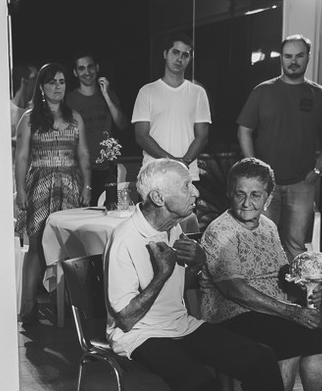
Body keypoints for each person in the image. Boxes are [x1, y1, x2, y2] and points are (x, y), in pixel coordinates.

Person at [104, 158, 317, 391]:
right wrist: (162, 275)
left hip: (179, 324)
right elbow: (125, 318)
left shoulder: (174, 226)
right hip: (139, 336)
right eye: (186, 186)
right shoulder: (125, 239)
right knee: (198, 382)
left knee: (260, 358)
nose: (195, 191)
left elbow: (186, 280)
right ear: (158, 197)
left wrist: (198, 260)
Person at [199, 158, 322, 391]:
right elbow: (234, 289)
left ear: (268, 198)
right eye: (240, 194)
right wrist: (290, 311)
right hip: (230, 316)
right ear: (229, 194)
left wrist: (305, 291)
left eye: (256, 195)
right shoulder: (220, 231)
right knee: (287, 339)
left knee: (314, 335)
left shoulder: (268, 227)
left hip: (269, 312)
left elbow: (281, 277)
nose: (247, 202)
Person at [237, 34, 322, 260]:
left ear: (308, 57)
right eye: (288, 56)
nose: (293, 61)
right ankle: (264, 284)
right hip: (265, 185)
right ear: (281, 58)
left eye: (299, 56)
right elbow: (244, 130)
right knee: (261, 243)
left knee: (296, 245)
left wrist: (318, 170)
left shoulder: (320, 95)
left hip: (302, 184)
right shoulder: (263, 91)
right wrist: (254, 168)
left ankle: (293, 285)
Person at [14, 62, 90, 326]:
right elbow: (21, 157)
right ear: (42, 87)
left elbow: (83, 154)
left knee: (70, 245)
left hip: (70, 185)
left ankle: (69, 305)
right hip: (39, 184)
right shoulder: (29, 118)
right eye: (52, 82)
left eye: (62, 81)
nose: (58, 87)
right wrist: (20, 191)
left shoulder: (75, 117)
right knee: (36, 245)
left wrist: (87, 186)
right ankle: (28, 307)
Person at [132, 34, 211, 180]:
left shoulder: (198, 92)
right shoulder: (147, 91)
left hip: (187, 174)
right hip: (153, 173)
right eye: (175, 52)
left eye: (185, 55)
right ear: (165, 54)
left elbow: (202, 136)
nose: (179, 59)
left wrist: (184, 163)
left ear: (190, 59)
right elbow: (141, 136)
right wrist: (173, 162)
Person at [67, 51, 127, 199]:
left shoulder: (108, 94)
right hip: (81, 168)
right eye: (81, 68)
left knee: (109, 208)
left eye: (90, 66)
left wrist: (106, 95)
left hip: (108, 167)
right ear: (75, 72)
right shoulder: (69, 100)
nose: (87, 72)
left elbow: (122, 124)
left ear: (97, 67)